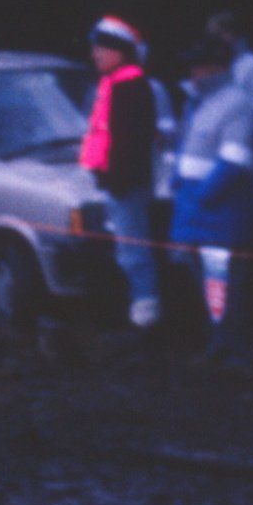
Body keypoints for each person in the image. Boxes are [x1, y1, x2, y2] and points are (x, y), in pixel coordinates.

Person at [167, 39, 253, 359]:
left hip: (221, 210)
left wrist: (204, 196)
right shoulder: (200, 102)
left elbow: (234, 159)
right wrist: (179, 181)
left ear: (216, 67)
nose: (192, 73)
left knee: (221, 281)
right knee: (203, 281)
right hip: (197, 208)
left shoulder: (237, 103)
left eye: (198, 66)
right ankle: (214, 340)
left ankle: (227, 346)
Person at [78, 17, 162, 329]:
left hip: (126, 185)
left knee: (134, 250)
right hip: (115, 183)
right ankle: (135, 309)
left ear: (119, 52)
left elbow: (130, 142)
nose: (94, 54)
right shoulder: (113, 84)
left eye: (100, 48)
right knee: (126, 249)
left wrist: (117, 180)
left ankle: (147, 314)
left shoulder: (131, 88)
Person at [205, 10, 253, 137]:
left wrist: (243, 138)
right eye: (210, 36)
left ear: (229, 35)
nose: (212, 41)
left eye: (217, 35)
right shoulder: (213, 66)